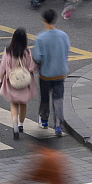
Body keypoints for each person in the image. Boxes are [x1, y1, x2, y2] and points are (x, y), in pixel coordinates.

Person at [32, 8, 70, 136]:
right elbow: (67, 51)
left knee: (44, 98)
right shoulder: (63, 35)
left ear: (44, 20)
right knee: (58, 98)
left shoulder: (41, 38)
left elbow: (37, 57)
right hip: (60, 72)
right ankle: (58, 124)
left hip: (46, 74)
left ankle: (44, 120)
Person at [0, 27, 38, 139]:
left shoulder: (8, 51)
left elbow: (2, 69)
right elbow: (31, 67)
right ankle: (21, 124)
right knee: (23, 103)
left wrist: (0, 80)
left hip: (12, 81)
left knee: (14, 103)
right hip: (24, 82)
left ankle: (15, 125)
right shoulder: (26, 52)